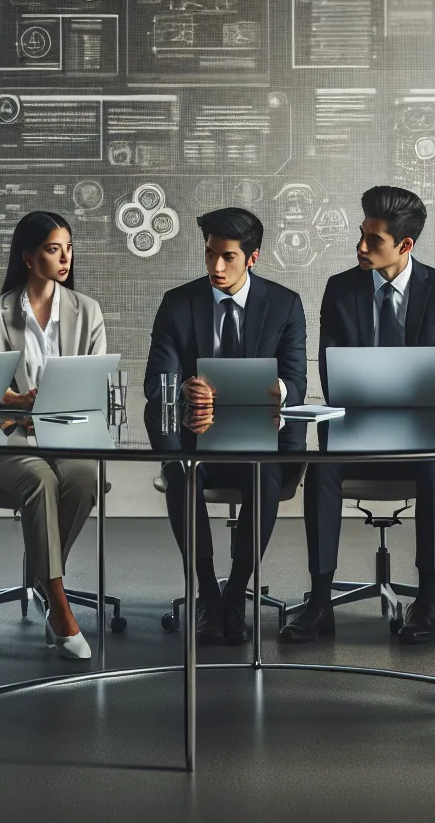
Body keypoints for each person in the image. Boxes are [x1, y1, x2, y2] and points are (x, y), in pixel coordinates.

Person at [279, 185, 435, 646]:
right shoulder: (340, 289)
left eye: (374, 240)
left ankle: (427, 599)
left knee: (434, 467)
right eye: (361, 235)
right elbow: (333, 375)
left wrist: (419, 386)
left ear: (405, 245)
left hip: (422, 437)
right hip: (358, 433)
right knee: (322, 471)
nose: (361, 247)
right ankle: (320, 600)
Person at [145, 207, 309, 645]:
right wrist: (183, 391)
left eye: (229, 257)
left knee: (265, 473)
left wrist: (271, 388)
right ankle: (206, 591)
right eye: (210, 254)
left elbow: (296, 380)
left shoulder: (284, 304)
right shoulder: (179, 304)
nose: (217, 266)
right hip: (197, 439)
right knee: (182, 472)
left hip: (260, 439)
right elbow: (155, 382)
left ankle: (236, 589)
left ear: (252, 258)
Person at [0, 210, 105, 660]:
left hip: (64, 432)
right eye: (52, 249)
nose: (64, 258)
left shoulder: (86, 310)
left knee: (84, 479)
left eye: (68, 248)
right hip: (3, 437)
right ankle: (58, 605)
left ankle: (42, 576)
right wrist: (19, 404)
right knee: (41, 479)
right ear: (27, 256)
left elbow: (94, 383)